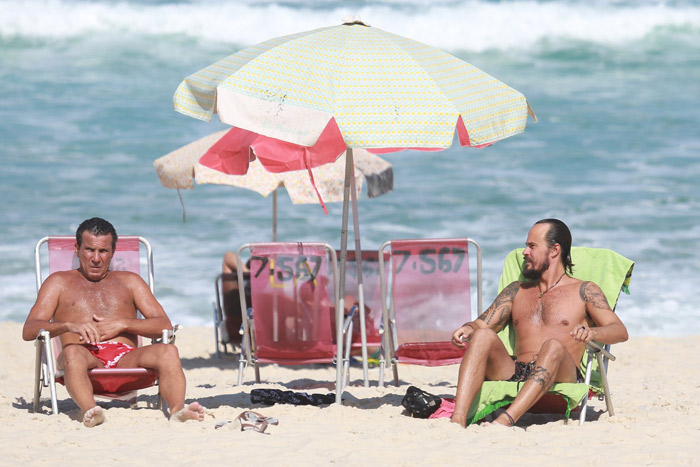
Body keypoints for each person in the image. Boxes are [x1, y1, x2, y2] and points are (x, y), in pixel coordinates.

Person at [23, 217, 205, 427]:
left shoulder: (130, 281)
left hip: (126, 360)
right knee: (72, 353)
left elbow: (163, 325)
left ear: (113, 251)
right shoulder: (58, 282)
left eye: (103, 251)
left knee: (168, 351)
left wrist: (124, 324)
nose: (96, 258)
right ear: (77, 248)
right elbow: (29, 329)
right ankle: (91, 410)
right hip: (84, 359)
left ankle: (177, 410)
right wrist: (68, 326)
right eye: (90, 250)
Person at [449, 219, 628, 427]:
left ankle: (505, 421)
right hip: (515, 374)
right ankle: (458, 419)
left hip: (560, 379)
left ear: (554, 250)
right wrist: (469, 328)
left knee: (552, 345)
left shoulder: (584, 291)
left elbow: (619, 331)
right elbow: (482, 325)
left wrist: (592, 333)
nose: (524, 252)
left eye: (532, 246)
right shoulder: (516, 290)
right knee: (482, 336)